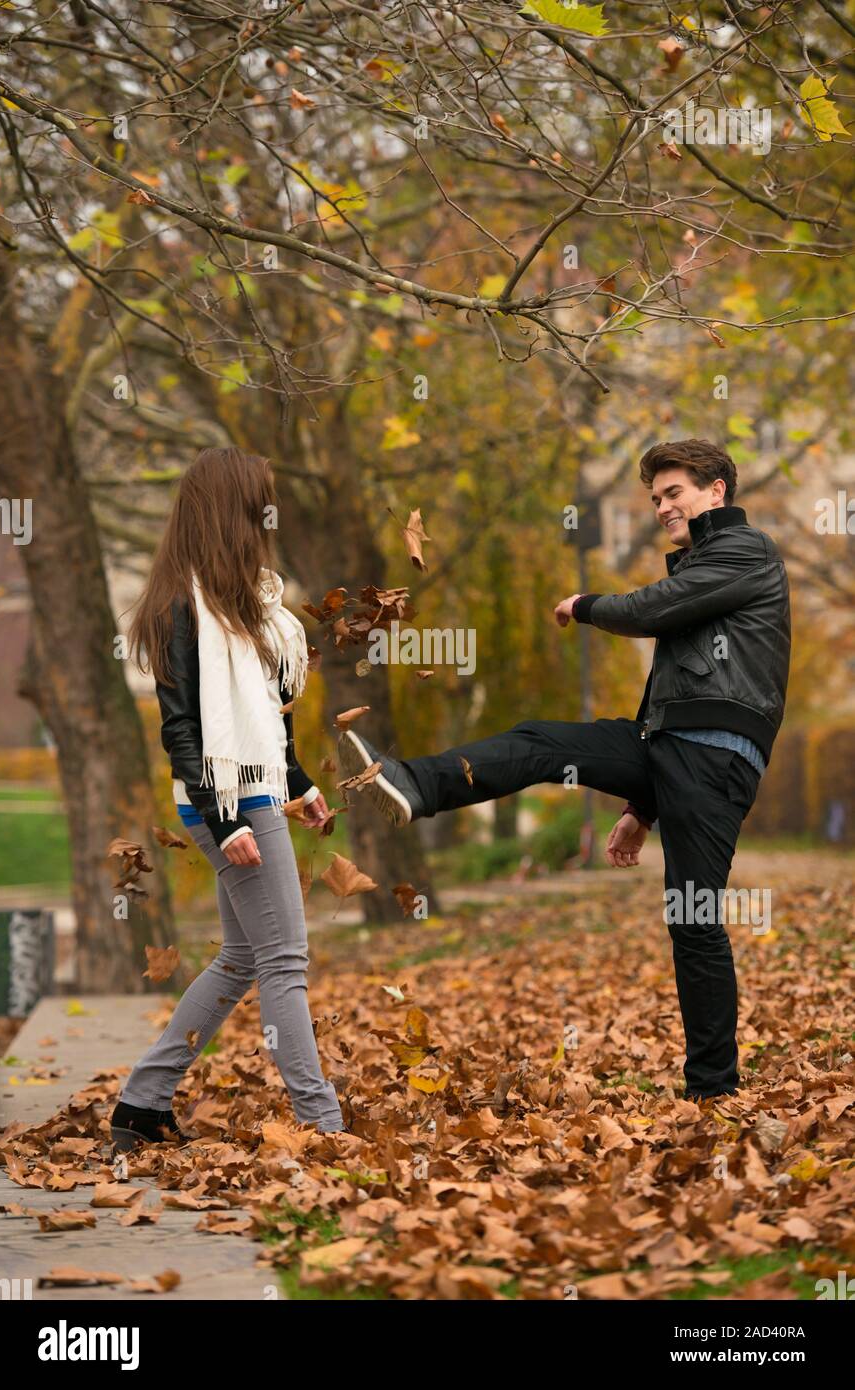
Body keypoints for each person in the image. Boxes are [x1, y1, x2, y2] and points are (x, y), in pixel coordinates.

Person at [338, 439, 791, 1103]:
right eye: (655, 498)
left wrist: (584, 605)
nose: (662, 506)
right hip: (666, 744)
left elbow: (650, 611)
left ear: (716, 490)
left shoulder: (743, 551)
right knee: (542, 741)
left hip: (716, 754)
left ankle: (713, 1092)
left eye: (673, 493)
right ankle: (412, 784)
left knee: (691, 918)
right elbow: (669, 683)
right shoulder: (703, 563)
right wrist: (641, 808)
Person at [110, 446, 345, 1150]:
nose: (267, 517)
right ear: (231, 513)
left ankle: (141, 1105)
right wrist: (226, 816)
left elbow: (270, 718)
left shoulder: (251, 608)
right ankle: (321, 1121)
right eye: (259, 504)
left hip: (258, 795)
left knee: (243, 958)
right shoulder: (183, 609)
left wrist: (298, 785)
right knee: (284, 960)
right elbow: (179, 730)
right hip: (227, 803)